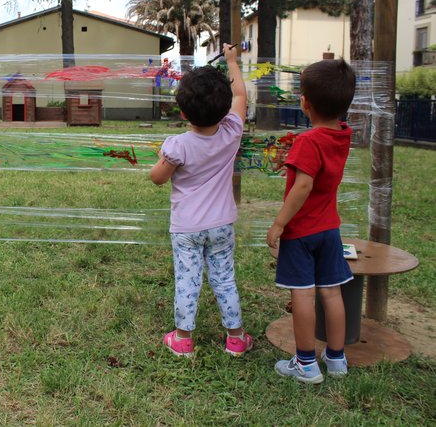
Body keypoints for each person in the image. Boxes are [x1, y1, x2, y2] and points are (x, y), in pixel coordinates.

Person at [150, 43, 252, 358]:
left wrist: (161, 158)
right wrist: (233, 62)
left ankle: (183, 339)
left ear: (182, 111)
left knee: (187, 279)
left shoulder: (177, 146)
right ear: (223, 109)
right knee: (224, 278)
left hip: (187, 229)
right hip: (222, 224)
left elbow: (157, 177)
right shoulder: (232, 131)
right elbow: (240, 98)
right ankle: (235, 338)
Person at [266, 59, 356, 383]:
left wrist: (279, 223)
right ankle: (336, 359)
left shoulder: (308, 141)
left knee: (302, 294)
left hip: (301, 233)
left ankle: (305, 363)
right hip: (330, 229)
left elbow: (303, 185)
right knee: (332, 293)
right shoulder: (342, 135)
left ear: (305, 102)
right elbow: (317, 174)